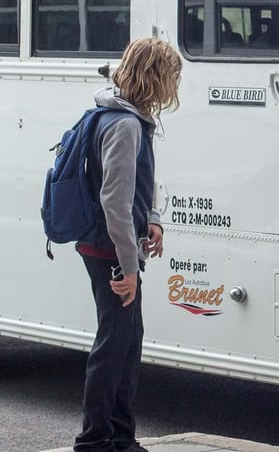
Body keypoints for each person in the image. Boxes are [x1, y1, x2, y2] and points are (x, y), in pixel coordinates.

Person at [74, 36, 181, 452]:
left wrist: (151, 219)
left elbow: (132, 189)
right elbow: (115, 203)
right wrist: (129, 268)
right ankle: (95, 440)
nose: (174, 86)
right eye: (171, 77)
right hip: (110, 249)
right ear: (155, 78)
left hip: (109, 244)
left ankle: (119, 435)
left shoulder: (116, 114)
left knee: (127, 339)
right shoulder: (124, 124)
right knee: (114, 343)